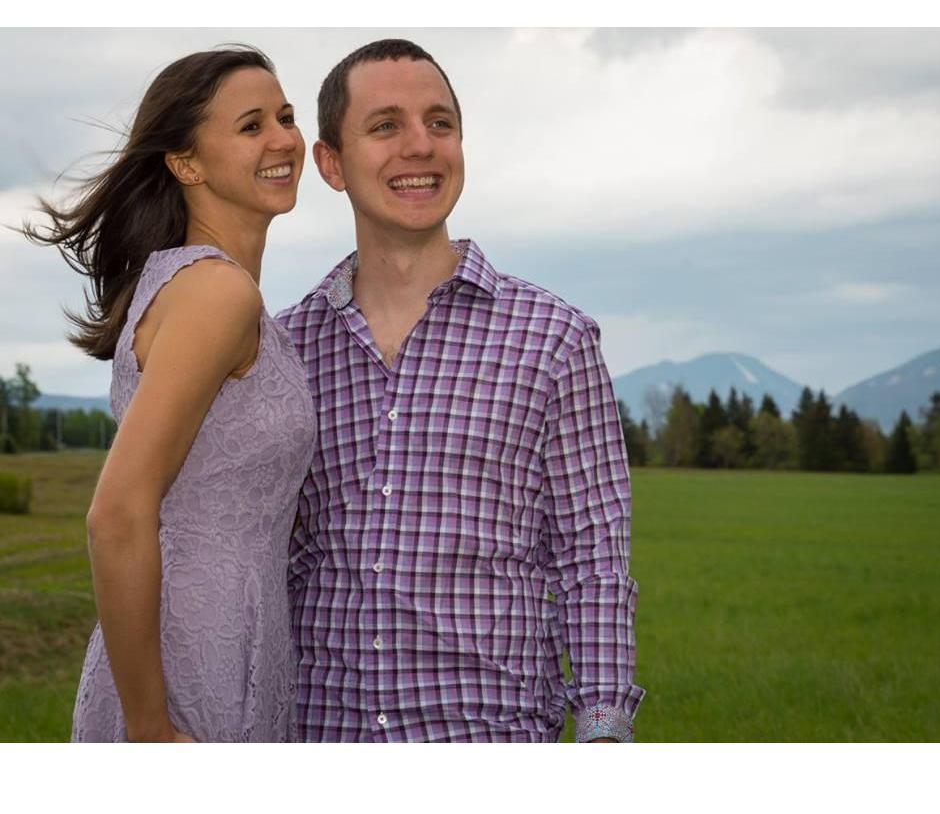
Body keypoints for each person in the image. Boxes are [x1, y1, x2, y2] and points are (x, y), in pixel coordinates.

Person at [277, 38, 644, 742]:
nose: (420, 145)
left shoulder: (554, 339)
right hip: (318, 731)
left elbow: (593, 560)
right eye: (386, 126)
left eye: (440, 123)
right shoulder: (284, 349)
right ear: (331, 163)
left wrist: (603, 730)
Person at [25, 46, 316, 742]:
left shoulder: (197, 287)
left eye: (285, 117)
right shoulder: (216, 293)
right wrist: (151, 730)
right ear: (186, 164)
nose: (282, 139)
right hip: (193, 657)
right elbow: (116, 514)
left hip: (228, 636)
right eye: (251, 126)